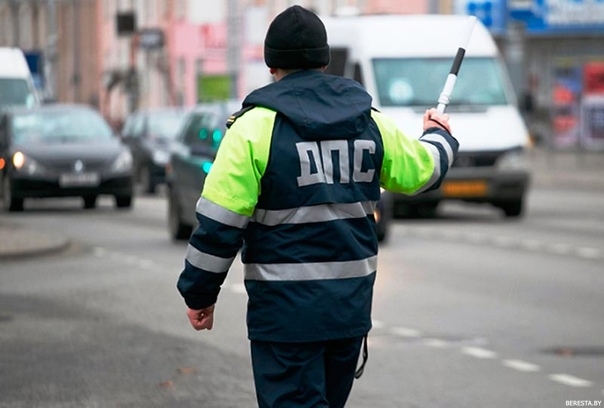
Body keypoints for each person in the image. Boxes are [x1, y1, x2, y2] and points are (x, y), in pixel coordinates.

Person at [177, 5, 458, 407]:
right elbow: (422, 171)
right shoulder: (368, 121)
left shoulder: (254, 128)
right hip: (348, 314)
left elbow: (219, 224)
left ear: (271, 65)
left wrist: (199, 294)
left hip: (284, 319)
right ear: (325, 61)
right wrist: (439, 135)